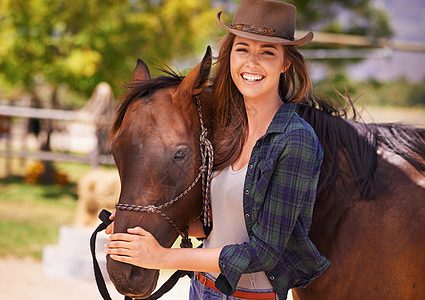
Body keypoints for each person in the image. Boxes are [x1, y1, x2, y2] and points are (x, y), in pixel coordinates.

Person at [105, 1, 330, 299]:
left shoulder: (296, 140)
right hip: (201, 289)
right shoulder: (228, 132)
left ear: (286, 63)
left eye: (267, 52)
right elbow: (222, 227)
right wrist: (142, 224)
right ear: (229, 56)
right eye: (242, 49)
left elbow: (264, 252)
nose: (252, 63)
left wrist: (161, 257)